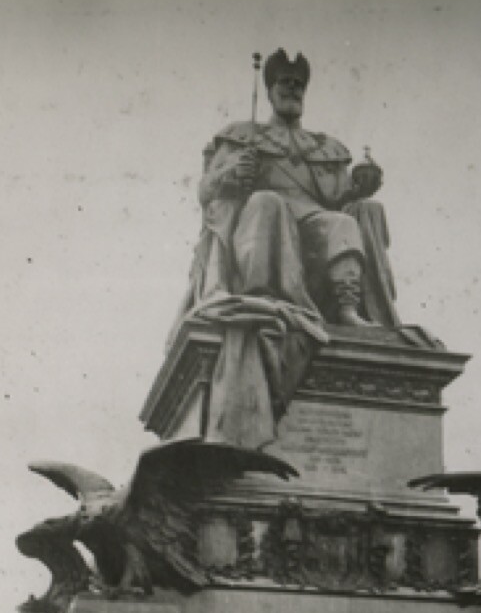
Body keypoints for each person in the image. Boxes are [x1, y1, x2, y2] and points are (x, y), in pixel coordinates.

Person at [170, 48, 427, 448]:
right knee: (268, 203)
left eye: (298, 85)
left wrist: (359, 188)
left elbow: (338, 200)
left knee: (344, 222)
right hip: (261, 223)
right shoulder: (242, 135)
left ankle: (346, 310)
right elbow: (206, 190)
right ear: (270, 90)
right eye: (284, 84)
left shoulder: (323, 147)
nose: (292, 90)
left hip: (313, 224)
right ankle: (265, 299)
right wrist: (231, 176)